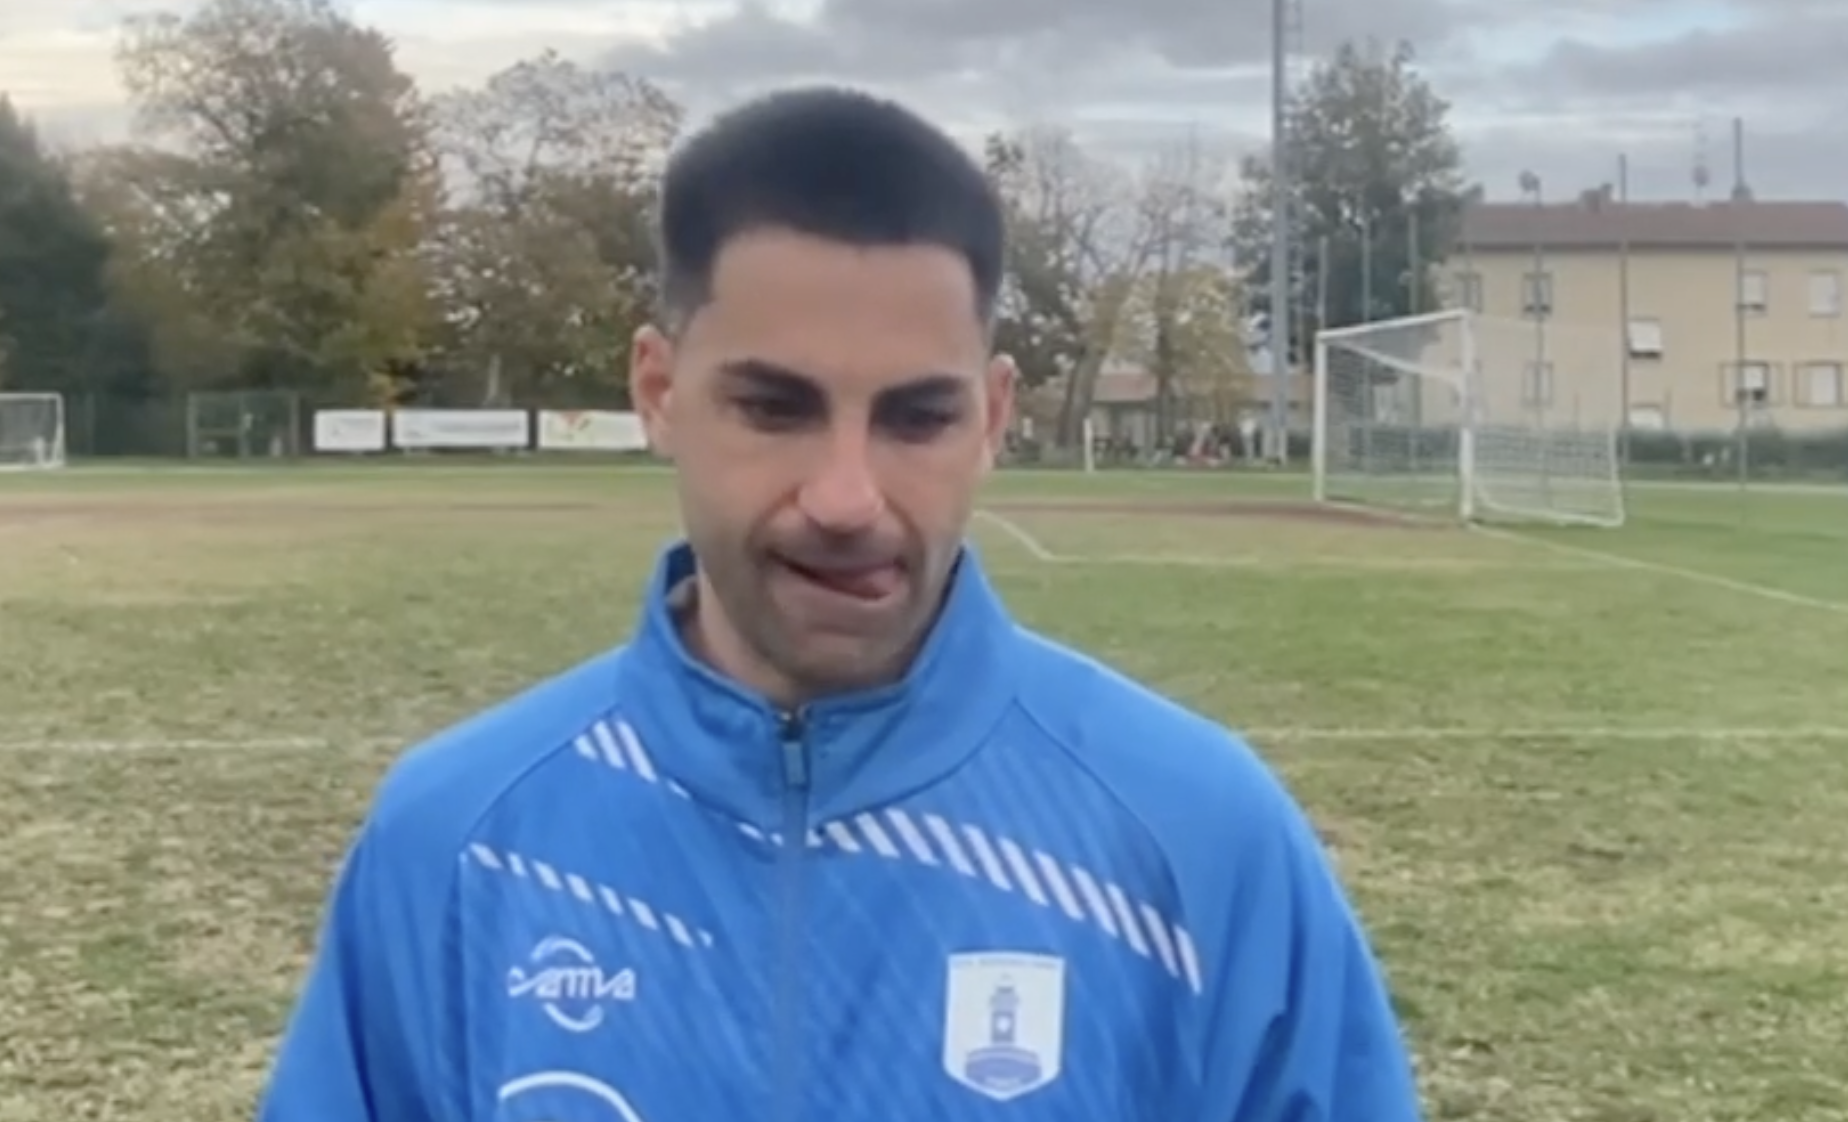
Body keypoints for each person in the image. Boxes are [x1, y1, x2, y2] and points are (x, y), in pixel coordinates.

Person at [256, 87, 1424, 1122]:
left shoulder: (1201, 839)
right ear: (658, 392)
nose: (847, 497)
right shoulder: (457, 841)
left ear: (992, 418)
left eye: (918, 418)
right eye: (775, 409)